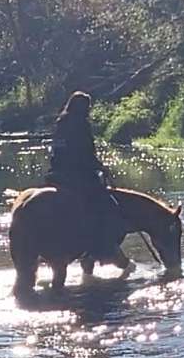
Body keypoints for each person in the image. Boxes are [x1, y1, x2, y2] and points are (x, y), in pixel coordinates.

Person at [46, 91, 130, 273]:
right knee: (106, 207)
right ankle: (104, 247)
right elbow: (85, 153)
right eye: (87, 108)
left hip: (57, 174)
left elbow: (58, 151)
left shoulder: (60, 123)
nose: (88, 111)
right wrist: (101, 168)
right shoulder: (80, 124)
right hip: (77, 175)